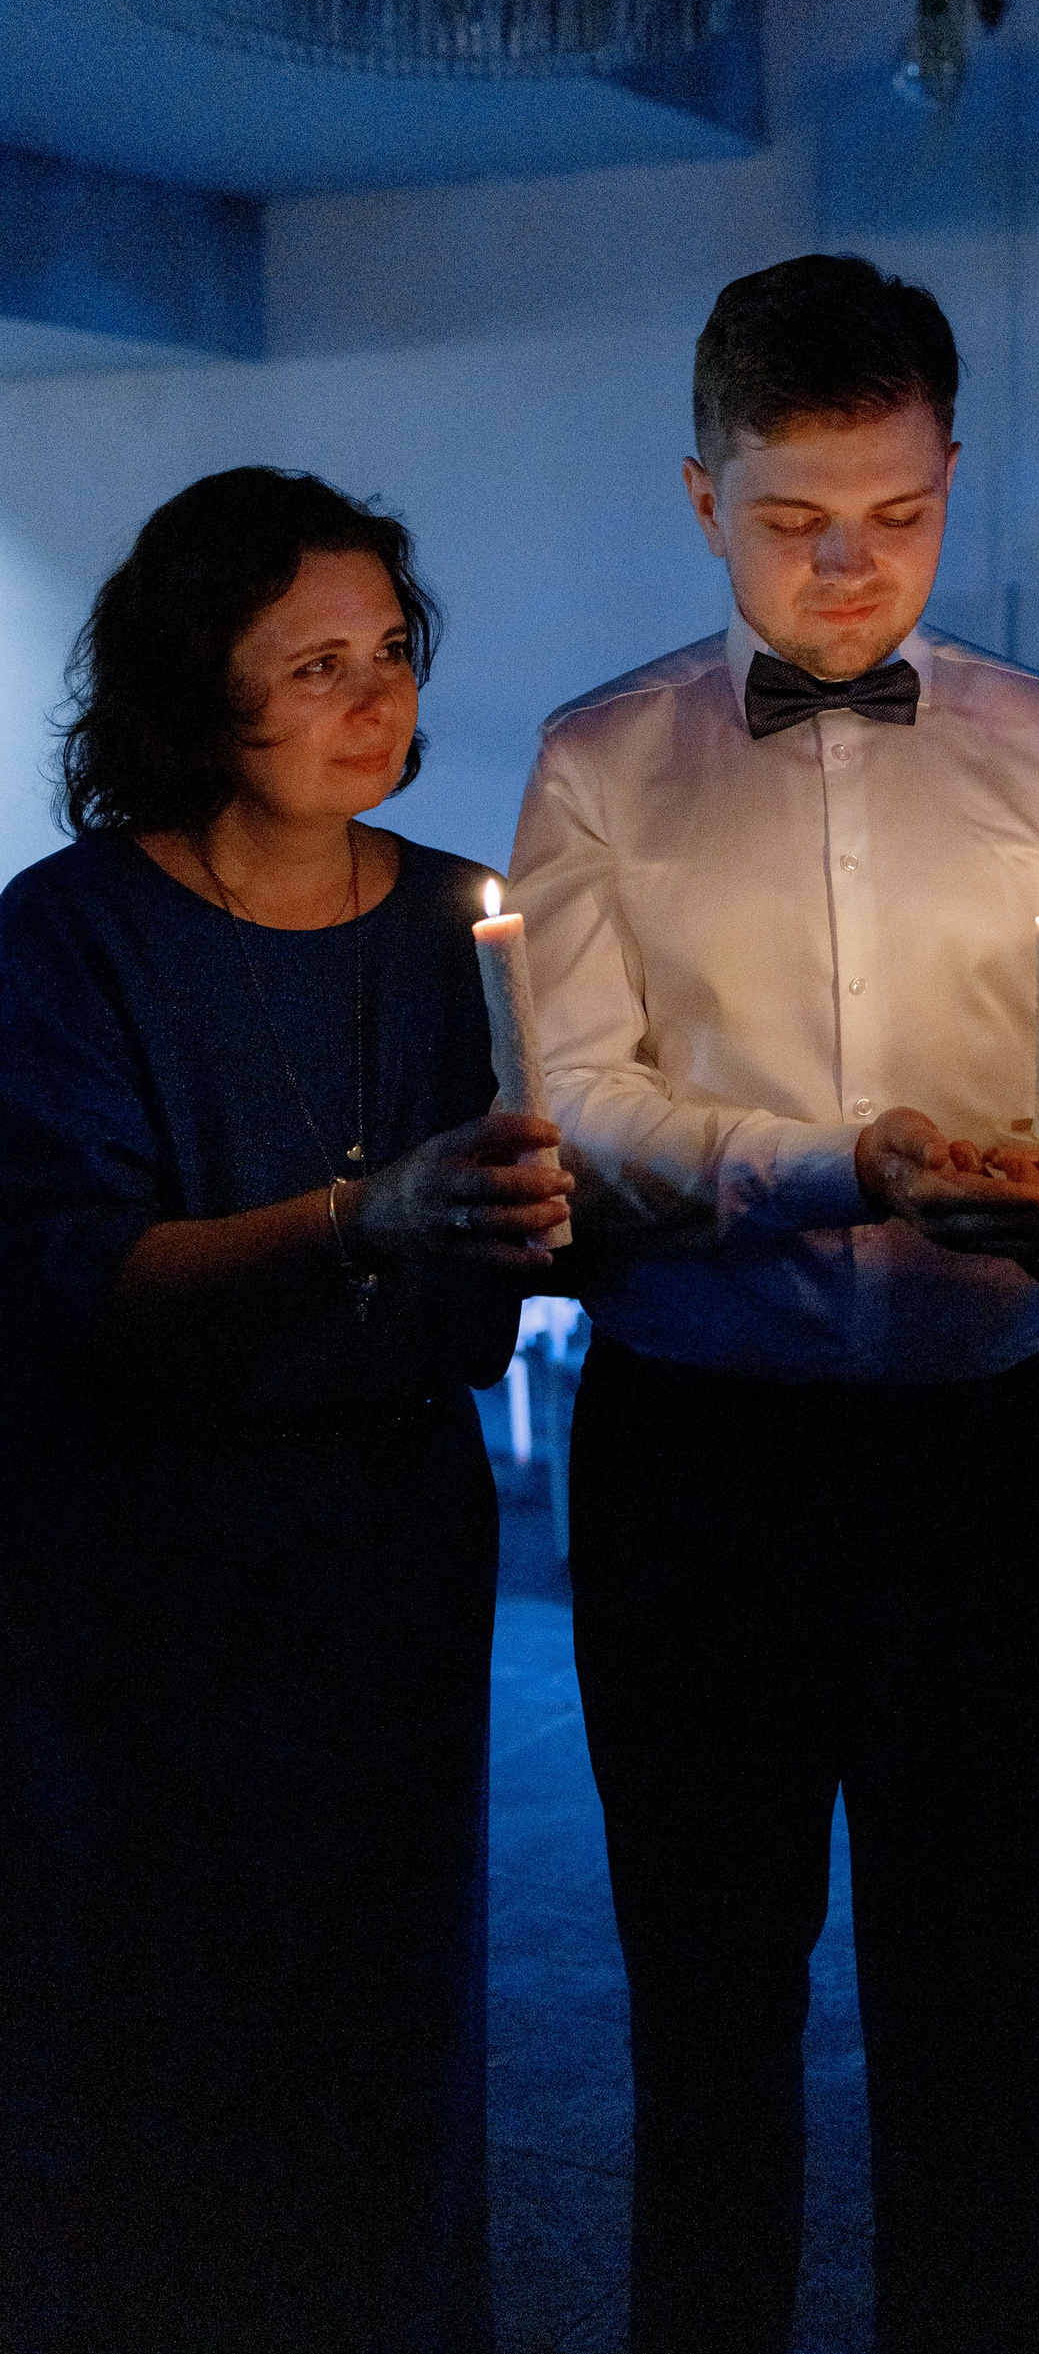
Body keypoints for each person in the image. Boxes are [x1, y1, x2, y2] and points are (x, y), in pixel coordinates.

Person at [506, 251, 1039, 2354]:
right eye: (795, 519)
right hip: (695, 1459)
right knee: (707, 2006)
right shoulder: (601, 760)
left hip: (982, 1455)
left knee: (971, 2010)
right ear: (702, 496)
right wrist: (850, 1166)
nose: (849, 569)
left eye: (898, 515)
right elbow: (581, 1107)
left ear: (952, 477)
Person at [0, 468, 572, 2354]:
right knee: (153, 2013)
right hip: (143, 1551)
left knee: (383, 2004)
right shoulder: (74, 933)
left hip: (391, 1532)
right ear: (197, 686)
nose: (375, 695)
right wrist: (360, 1215)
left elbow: (528, 1229)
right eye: (314, 662)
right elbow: (72, 1273)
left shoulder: (465, 922)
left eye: (390, 650)